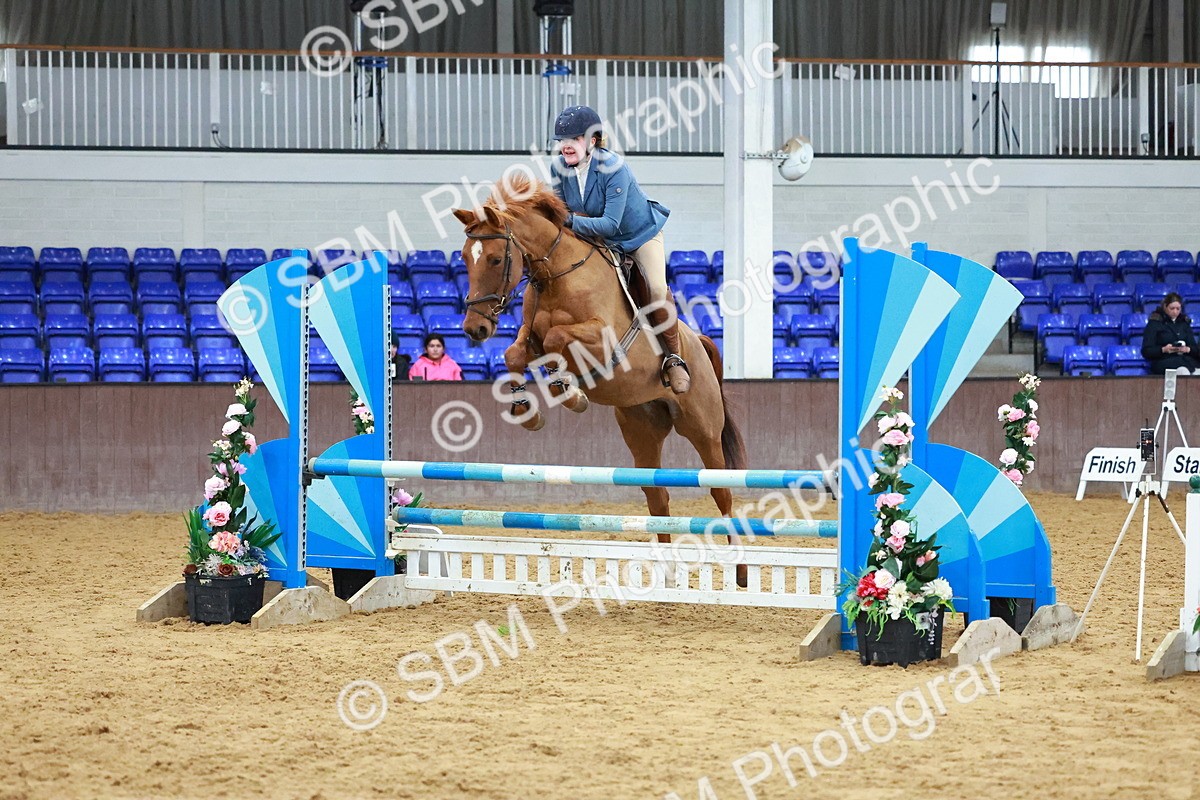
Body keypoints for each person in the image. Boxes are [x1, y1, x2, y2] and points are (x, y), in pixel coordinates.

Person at [550, 105, 690, 394]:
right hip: (599, 241)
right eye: (562, 140)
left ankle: (674, 357)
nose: (565, 146)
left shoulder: (613, 167)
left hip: (638, 236)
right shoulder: (558, 169)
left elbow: (610, 224)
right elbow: (559, 212)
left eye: (573, 139)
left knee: (655, 288)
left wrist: (568, 221)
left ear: (592, 141)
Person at [1141, 292, 1200, 375]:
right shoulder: (1155, 323)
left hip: (1185, 359)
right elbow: (1146, 351)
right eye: (1172, 308)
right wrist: (1163, 349)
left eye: (1178, 309)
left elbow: (1195, 347)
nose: (1175, 312)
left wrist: (1187, 349)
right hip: (1163, 361)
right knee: (1183, 372)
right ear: (1165, 306)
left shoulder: (1184, 323)